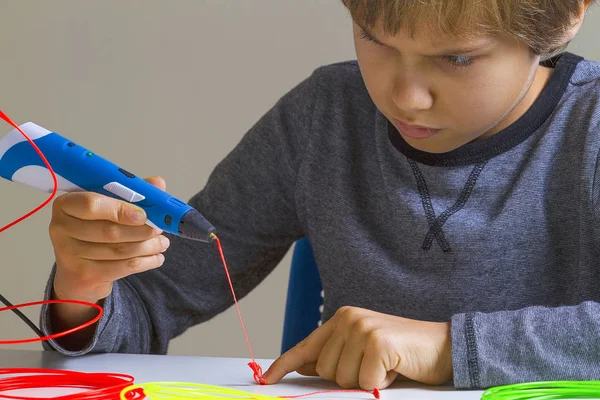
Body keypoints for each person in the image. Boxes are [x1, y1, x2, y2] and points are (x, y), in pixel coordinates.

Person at [40, 0, 600, 391]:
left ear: (568, 14)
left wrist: (450, 348)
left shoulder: (590, 125)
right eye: (376, 41)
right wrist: (85, 286)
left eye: (457, 59)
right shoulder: (321, 117)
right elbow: (146, 309)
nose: (406, 97)